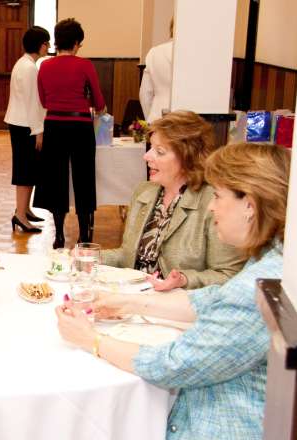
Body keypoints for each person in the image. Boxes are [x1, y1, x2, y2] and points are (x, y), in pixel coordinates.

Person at [55, 142, 290, 440]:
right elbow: (208, 300)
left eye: (219, 196)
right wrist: (128, 302)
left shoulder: (256, 286)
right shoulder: (275, 261)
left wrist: (90, 339)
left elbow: (172, 365)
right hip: (263, 438)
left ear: (250, 204)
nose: (211, 208)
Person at [101, 111, 244, 290]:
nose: (147, 156)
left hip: (180, 302)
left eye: (159, 152)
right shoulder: (144, 192)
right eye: (150, 147)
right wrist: (88, 256)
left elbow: (228, 275)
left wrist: (184, 280)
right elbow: (127, 256)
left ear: (187, 157)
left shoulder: (214, 202)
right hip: (135, 295)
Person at [36, 18, 106, 248]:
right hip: (80, 126)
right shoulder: (85, 65)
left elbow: (43, 100)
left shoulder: (45, 66)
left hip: (54, 125)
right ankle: (84, 235)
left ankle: (58, 236)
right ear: (76, 43)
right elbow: (99, 101)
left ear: (57, 41)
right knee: (84, 178)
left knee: (56, 179)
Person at [4, 25, 50, 234]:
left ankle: (25, 209)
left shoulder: (23, 63)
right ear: (40, 45)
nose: (48, 47)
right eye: (46, 43)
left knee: (29, 169)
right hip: (26, 125)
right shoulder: (29, 68)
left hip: (21, 122)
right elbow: (33, 102)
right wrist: (39, 130)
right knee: (25, 171)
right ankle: (20, 215)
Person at [140, 19, 173, 124]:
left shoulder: (154, 52)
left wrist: (150, 118)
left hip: (156, 117)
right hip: (187, 120)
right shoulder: (194, 53)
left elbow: (145, 94)